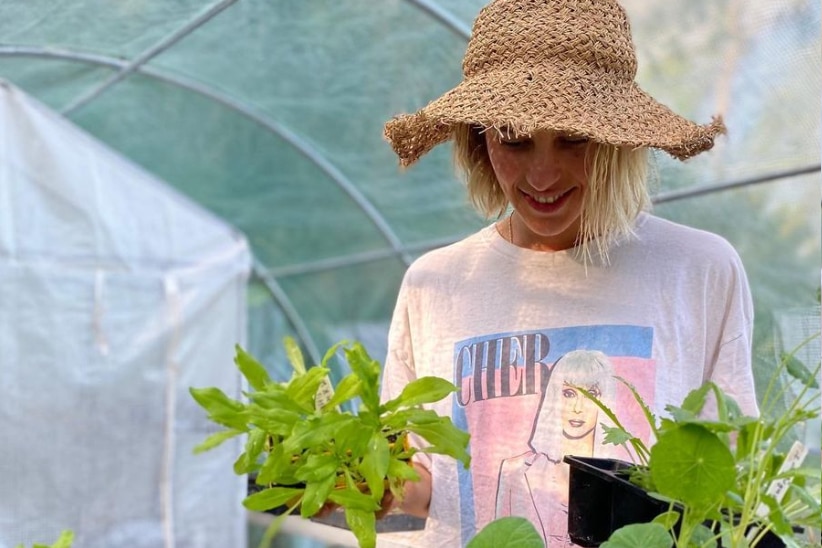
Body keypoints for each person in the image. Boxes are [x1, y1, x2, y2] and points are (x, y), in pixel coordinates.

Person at [379, 0, 759, 546]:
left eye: (573, 138)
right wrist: (357, 481)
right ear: (479, 142)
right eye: (514, 139)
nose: (542, 173)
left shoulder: (699, 270)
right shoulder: (434, 284)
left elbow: (726, 477)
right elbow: (421, 482)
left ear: (618, 140)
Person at [495, 350, 616, 546]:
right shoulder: (515, 471)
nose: (578, 407)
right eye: (569, 393)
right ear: (554, 396)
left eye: (591, 394)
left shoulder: (623, 479)